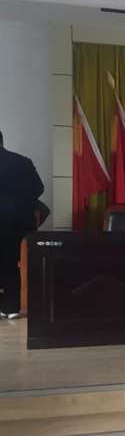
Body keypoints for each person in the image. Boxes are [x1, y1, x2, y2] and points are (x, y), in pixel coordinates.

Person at [0, 131, 44, 320]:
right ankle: (11, 308)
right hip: (19, 223)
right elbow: (39, 188)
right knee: (12, 263)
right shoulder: (23, 162)